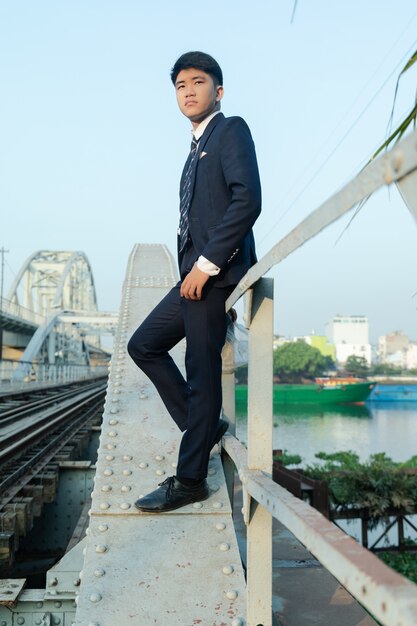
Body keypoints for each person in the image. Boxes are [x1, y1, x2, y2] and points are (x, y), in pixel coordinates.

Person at [128, 51, 261, 512]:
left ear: (217, 91)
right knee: (143, 344)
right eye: (180, 84)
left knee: (202, 374)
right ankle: (203, 425)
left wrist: (207, 266)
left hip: (215, 276)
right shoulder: (193, 149)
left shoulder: (231, 130)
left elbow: (247, 201)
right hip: (193, 276)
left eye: (197, 81)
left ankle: (189, 480)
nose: (187, 90)